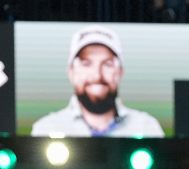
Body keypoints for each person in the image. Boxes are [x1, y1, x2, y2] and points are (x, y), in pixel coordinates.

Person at [31, 25, 164, 137]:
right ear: (71, 72)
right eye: (86, 63)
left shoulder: (146, 127)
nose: (97, 75)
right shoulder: (46, 128)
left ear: (120, 73)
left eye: (107, 64)